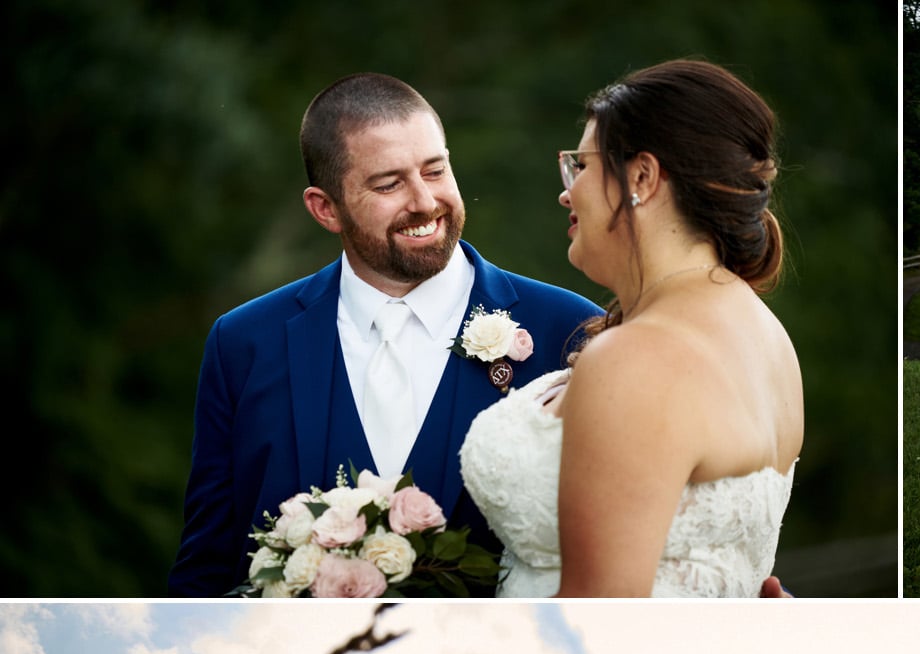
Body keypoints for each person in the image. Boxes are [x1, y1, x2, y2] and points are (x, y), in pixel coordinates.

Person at [170, 73, 603, 596]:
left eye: (435, 170)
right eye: (388, 184)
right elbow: (208, 565)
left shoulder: (570, 330)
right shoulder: (244, 343)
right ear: (325, 208)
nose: (425, 201)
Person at [460, 60, 802, 595]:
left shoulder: (637, 358)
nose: (565, 194)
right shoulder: (768, 338)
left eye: (581, 167)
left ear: (642, 176)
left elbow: (597, 629)